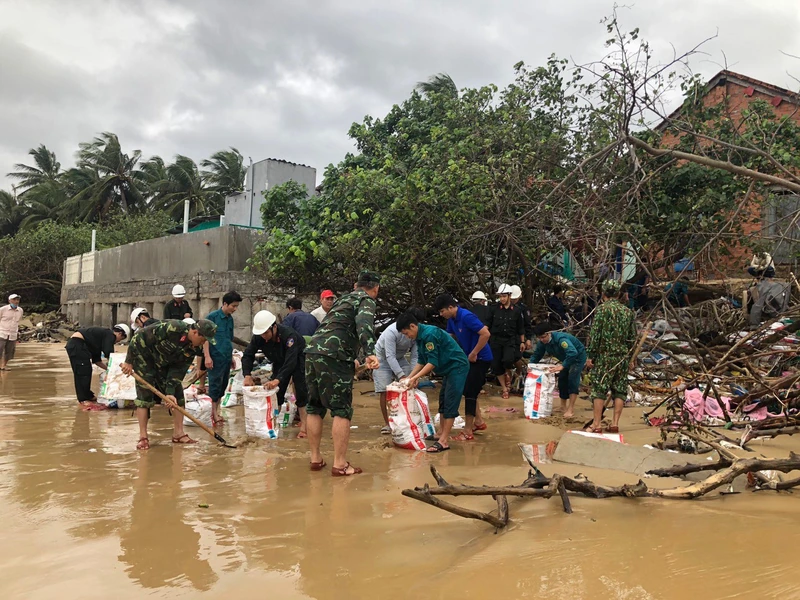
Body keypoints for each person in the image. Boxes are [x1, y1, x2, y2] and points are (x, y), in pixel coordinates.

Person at [305, 272, 380, 476]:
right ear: (376, 288)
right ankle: (340, 464)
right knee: (341, 409)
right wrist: (370, 353)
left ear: (356, 285)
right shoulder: (366, 300)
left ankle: (315, 459)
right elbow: (364, 325)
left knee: (314, 406)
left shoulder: (343, 300)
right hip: (334, 355)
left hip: (312, 351)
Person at [120, 319, 217, 450]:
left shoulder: (194, 347)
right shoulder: (172, 328)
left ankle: (178, 434)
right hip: (145, 358)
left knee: (178, 394)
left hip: (166, 365)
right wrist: (129, 361)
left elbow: (178, 370)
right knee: (144, 397)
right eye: (204, 339)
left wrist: (170, 393)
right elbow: (139, 336)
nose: (204, 343)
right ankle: (143, 437)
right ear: (195, 332)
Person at [398, 311, 470, 453]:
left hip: (457, 367)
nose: (407, 336)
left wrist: (413, 379)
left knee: (450, 401)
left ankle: (443, 441)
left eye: (407, 333)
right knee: (442, 400)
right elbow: (422, 360)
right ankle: (440, 433)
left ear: (413, 326)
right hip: (448, 369)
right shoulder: (419, 337)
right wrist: (410, 377)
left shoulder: (429, 334)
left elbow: (432, 363)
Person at [243, 310, 310, 437]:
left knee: (301, 392)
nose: (264, 336)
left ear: (274, 327)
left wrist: (277, 379)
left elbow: (291, 362)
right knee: (276, 393)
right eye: (261, 333)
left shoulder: (289, 336)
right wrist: (247, 374)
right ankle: (272, 426)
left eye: (266, 333)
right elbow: (248, 355)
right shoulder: (258, 337)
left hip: (298, 358)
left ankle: (305, 428)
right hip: (278, 359)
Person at [434, 294, 491, 440]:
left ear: (451, 307)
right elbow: (450, 336)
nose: (441, 314)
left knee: (471, 393)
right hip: (467, 358)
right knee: (467, 390)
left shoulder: (466, 316)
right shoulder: (452, 319)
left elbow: (485, 333)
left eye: (442, 311)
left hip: (480, 358)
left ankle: (468, 431)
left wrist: (474, 352)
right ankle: (478, 422)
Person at [585, 280, 637, 433]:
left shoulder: (602, 310)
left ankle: (596, 424)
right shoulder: (627, 312)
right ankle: (615, 423)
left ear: (604, 293)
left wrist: (591, 356)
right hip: (621, 357)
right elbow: (632, 337)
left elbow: (595, 335)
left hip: (604, 357)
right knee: (620, 390)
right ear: (618, 293)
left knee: (599, 389)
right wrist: (631, 358)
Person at [373, 308, 421, 434]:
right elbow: (389, 356)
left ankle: (406, 421)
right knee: (384, 390)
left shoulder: (416, 332)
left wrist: (413, 376)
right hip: (382, 358)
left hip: (400, 358)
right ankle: (387, 424)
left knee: (410, 386)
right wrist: (401, 376)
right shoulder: (391, 332)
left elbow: (415, 356)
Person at [530, 322, 587, 418]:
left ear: (549, 333)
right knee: (562, 379)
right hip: (566, 358)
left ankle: (570, 408)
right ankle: (563, 406)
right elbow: (537, 355)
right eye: (539, 338)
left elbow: (573, 353)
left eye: (543, 337)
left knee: (573, 380)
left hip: (577, 357)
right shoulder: (542, 342)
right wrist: (530, 366)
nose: (542, 339)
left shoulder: (561, 339)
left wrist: (562, 366)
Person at [66, 323, 130, 408]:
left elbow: (97, 361)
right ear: (120, 334)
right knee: (83, 372)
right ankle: (83, 399)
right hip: (77, 344)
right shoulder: (110, 334)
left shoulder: (98, 340)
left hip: (77, 345)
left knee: (86, 370)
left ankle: (88, 395)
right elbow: (109, 354)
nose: (117, 342)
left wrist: (109, 369)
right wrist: (118, 367)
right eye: (120, 339)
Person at [203, 291, 241, 426]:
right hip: (215, 357)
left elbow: (229, 339)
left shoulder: (230, 319)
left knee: (223, 385)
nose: (235, 309)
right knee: (214, 385)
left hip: (225, 356)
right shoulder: (212, 317)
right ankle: (213, 414)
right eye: (233, 306)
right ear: (225, 304)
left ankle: (216, 411)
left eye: (236, 306)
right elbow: (205, 339)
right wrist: (207, 356)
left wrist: (231, 357)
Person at [487, 284, 525, 399]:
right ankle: (504, 388)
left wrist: (522, 341)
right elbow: (487, 325)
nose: (502, 299)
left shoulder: (517, 311)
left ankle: (508, 373)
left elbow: (520, 328)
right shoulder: (494, 309)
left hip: (510, 340)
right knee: (496, 364)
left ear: (509, 296)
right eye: (500, 296)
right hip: (495, 340)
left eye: (504, 296)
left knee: (508, 360)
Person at [0, 294, 23, 371]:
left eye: (17, 300)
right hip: (2, 332)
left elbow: (18, 321)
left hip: (13, 334)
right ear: (9, 301)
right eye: (14, 300)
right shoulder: (3, 309)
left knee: (9, 351)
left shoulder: (20, 310)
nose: (16, 301)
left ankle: (3, 366)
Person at [510, 285, 534, 350]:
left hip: (519, 336)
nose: (513, 301)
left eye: (515, 299)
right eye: (512, 299)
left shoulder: (523, 308)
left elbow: (527, 324)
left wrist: (528, 338)